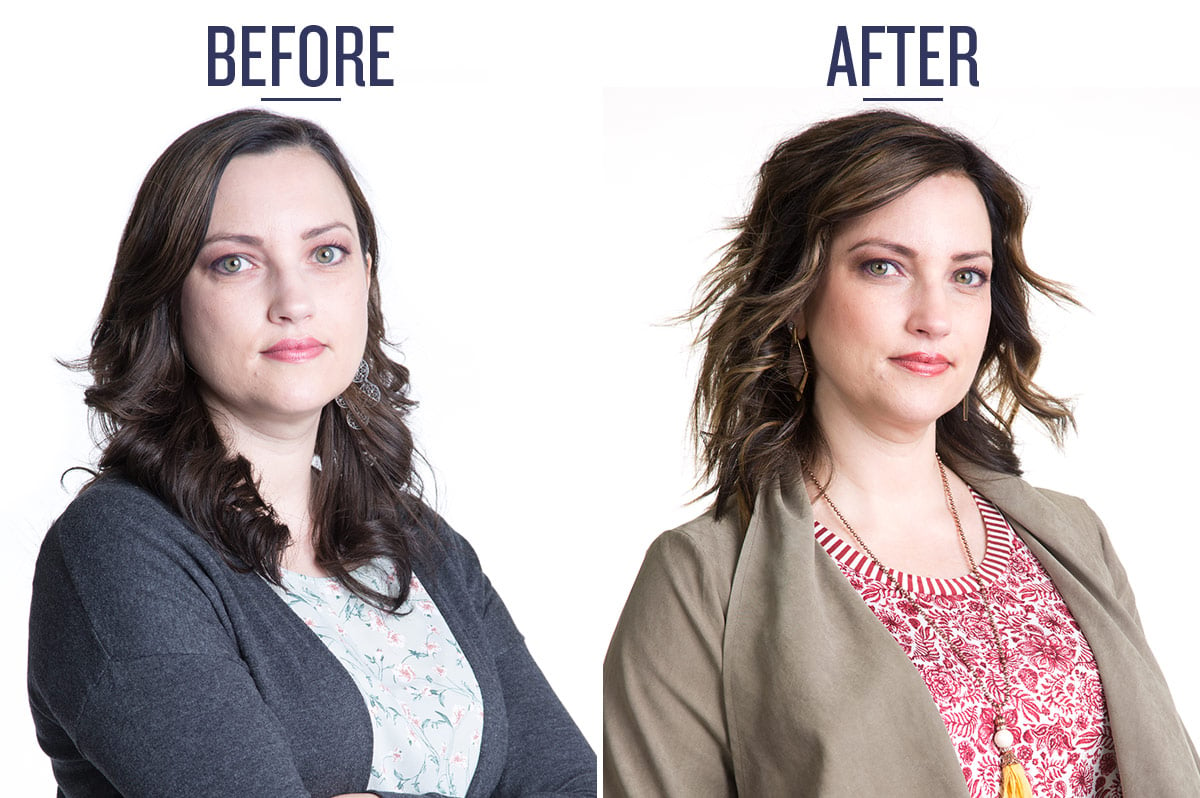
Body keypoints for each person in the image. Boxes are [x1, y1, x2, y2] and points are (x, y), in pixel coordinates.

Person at [603, 110, 1199, 797]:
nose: (934, 316)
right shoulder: (703, 583)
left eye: (967, 275)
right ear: (797, 295)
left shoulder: (1074, 538)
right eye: (883, 266)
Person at [28, 109, 595, 798]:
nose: (293, 300)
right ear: (168, 298)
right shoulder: (121, 552)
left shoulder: (424, 546)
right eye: (234, 262)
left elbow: (570, 782)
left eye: (326, 253)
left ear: (366, 279)